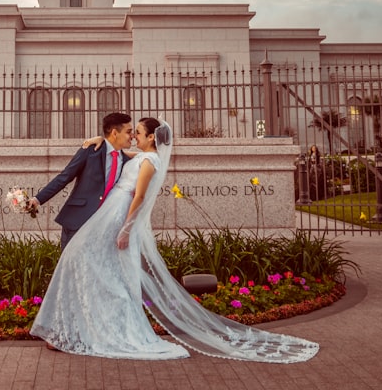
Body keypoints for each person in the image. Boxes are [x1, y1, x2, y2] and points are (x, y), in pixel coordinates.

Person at [30, 118, 319, 363]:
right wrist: (100, 139)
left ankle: (98, 331)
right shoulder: (130, 155)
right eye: (130, 132)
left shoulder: (149, 160)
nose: (133, 137)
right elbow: (106, 156)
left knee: (110, 277)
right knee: (82, 267)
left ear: (151, 137)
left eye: (138, 133)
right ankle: (68, 329)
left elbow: (140, 195)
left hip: (116, 219)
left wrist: (127, 229)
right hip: (99, 218)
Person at [30, 112, 132, 249]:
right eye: (128, 132)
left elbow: (151, 155)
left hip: (105, 227)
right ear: (114, 133)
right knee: (71, 269)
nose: (132, 136)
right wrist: (37, 200)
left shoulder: (127, 161)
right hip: (78, 221)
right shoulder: (91, 150)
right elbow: (65, 177)